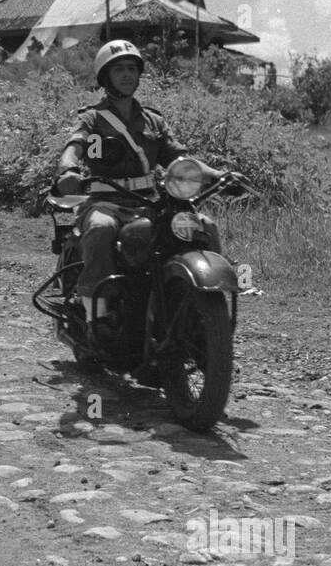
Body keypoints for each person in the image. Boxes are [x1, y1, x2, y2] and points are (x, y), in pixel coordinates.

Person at [54, 39, 220, 352]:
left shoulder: (153, 121)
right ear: (105, 77)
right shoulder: (92, 120)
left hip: (150, 203)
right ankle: (96, 318)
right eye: (119, 69)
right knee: (101, 229)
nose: (127, 75)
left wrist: (216, 173)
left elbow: (178, 158)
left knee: (204, 225)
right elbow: (73, 149)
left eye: (132, 68)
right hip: (105, 202)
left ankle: (203, 310)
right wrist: (67, 172)